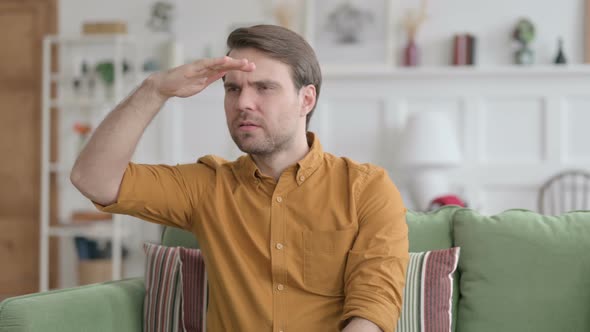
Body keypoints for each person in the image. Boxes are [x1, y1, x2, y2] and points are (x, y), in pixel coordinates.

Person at [71, 25, 408, 332]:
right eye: (233, 89)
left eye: (264, 88)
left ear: (306, 99)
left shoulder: (366, 188)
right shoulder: (208, 186)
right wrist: (154, 89)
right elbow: (93, 179)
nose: (243, 103)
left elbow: (373, 307)